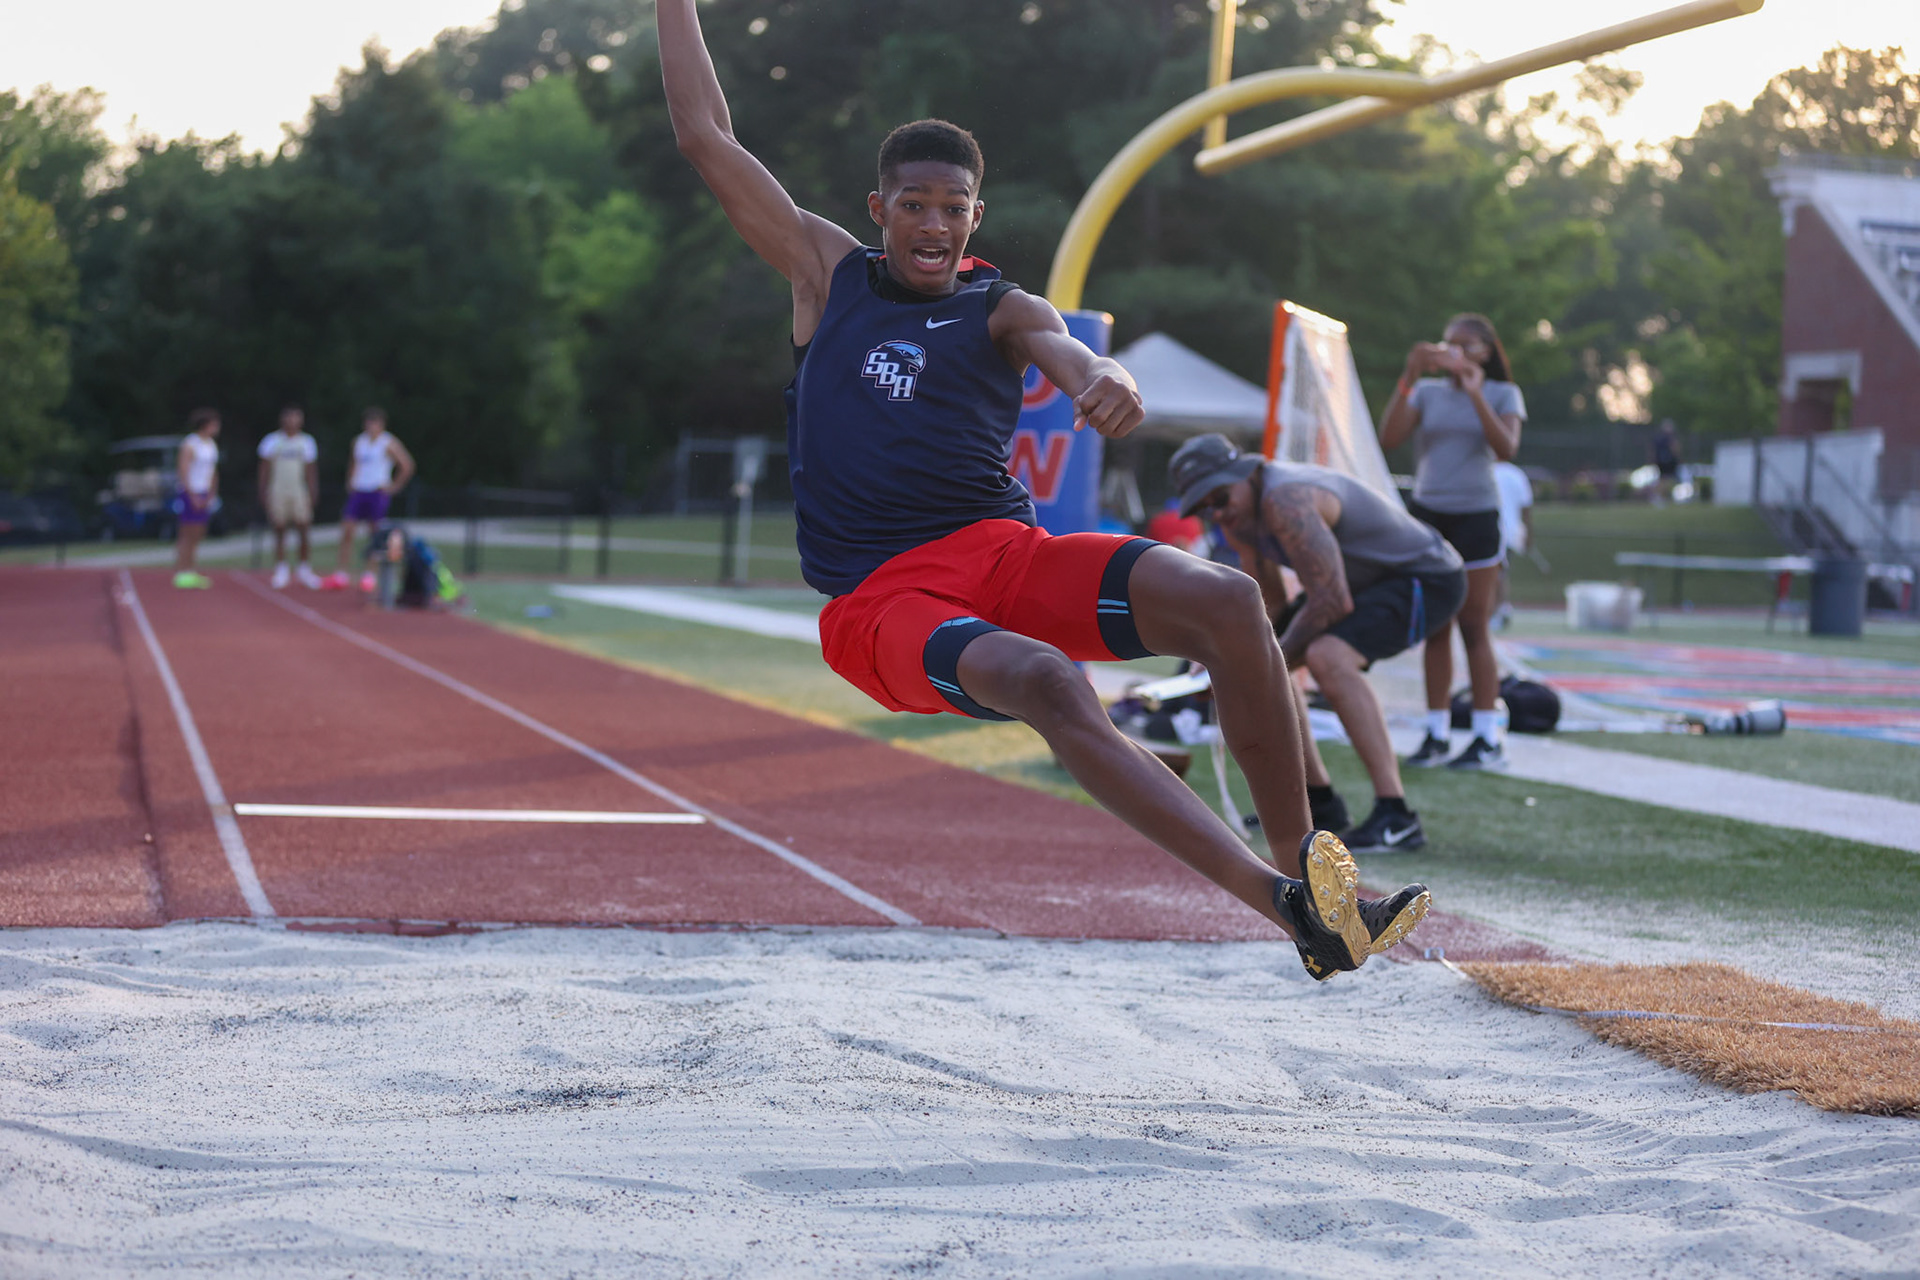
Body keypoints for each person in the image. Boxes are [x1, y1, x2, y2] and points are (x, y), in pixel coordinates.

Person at [657, 0, 1429, 980]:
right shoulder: (827, 274)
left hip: (1006, 558)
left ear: (978, 214)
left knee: (1231, 600)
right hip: (884, 600)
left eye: (953, 205)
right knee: (1051, 681)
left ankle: (1318, 886)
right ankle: (1272, 902)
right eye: (914, 203)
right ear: (879, 210)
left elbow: (1064, 350)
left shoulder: (1001, 304)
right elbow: (703, 135)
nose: (933, 223)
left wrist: (1112, 381)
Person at [1168, 434, 1466, 854]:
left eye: (1219, 495)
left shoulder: (1285, 501)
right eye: (1204, 507)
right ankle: (1321, 801)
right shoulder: (1239, 520)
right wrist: (1225, 658)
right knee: (1264, 652)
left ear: (1245, 473)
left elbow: (1332, 600)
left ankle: (1396, 815)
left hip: (1425, 576)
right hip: (1360, 583)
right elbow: (1268, 605)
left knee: (1326, 658)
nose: (1217, 512)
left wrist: (1266, 662)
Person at [1380, 314, 1525, 772]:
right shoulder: (1426, 392)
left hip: (1476, 516)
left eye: (1465, 345)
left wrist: (1476, 390)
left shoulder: (1503, 393)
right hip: (1428, 515)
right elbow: (1389, 437)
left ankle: (1486, 738)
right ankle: (1436, 733)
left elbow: (1506, 448)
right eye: (1448, 344)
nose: (1453, 352)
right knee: (1434, 627)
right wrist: (1410, 373)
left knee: (1474, 626)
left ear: (1485, 351)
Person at [323, 407, 415, 591]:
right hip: (359, 491)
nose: (371, 426)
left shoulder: (388, 443)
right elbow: (353, 463)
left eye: (375, 422)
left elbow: (407, 465)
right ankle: (341, 574)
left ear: (381, 425)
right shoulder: (359, 442)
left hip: (377, 491)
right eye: (369, 422)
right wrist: (350, 481)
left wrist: (393, 486)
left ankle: (369, 575)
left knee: (375, 534)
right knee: (347, 529)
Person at [257, 405, 323, 589]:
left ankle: (304, 568)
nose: (292, 421)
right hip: (278, 489)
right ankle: (281, 567)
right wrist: (262, 491)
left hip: (298, 490)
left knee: (303, 527)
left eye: (296, 417)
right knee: (279, 527)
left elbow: (311, 470)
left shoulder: (306, 442)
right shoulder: (271, 441)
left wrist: (312, 491)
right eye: (289, 417)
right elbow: (264, 469)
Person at [172, 407, 221, 589]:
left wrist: (211, 493)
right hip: (190, 492)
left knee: (199, 533)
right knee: (187, 533)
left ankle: (191, 570)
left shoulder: (211, 445)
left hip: (204, 492)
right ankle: (181, 571)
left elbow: (213, 471)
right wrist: (191, 495)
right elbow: (183, 470)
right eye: (214, 424)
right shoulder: (190, 443)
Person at [1491, 459, 1534, 630]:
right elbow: (1526, 509)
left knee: (1497, 574)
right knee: (1500, 574)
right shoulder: (1517, 475)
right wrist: (1528, 534)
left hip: (1496, 531)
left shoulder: (1490, 471)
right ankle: (1500, 608)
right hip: (1509, 534)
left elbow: (1526, 508)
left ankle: (1499, 610)